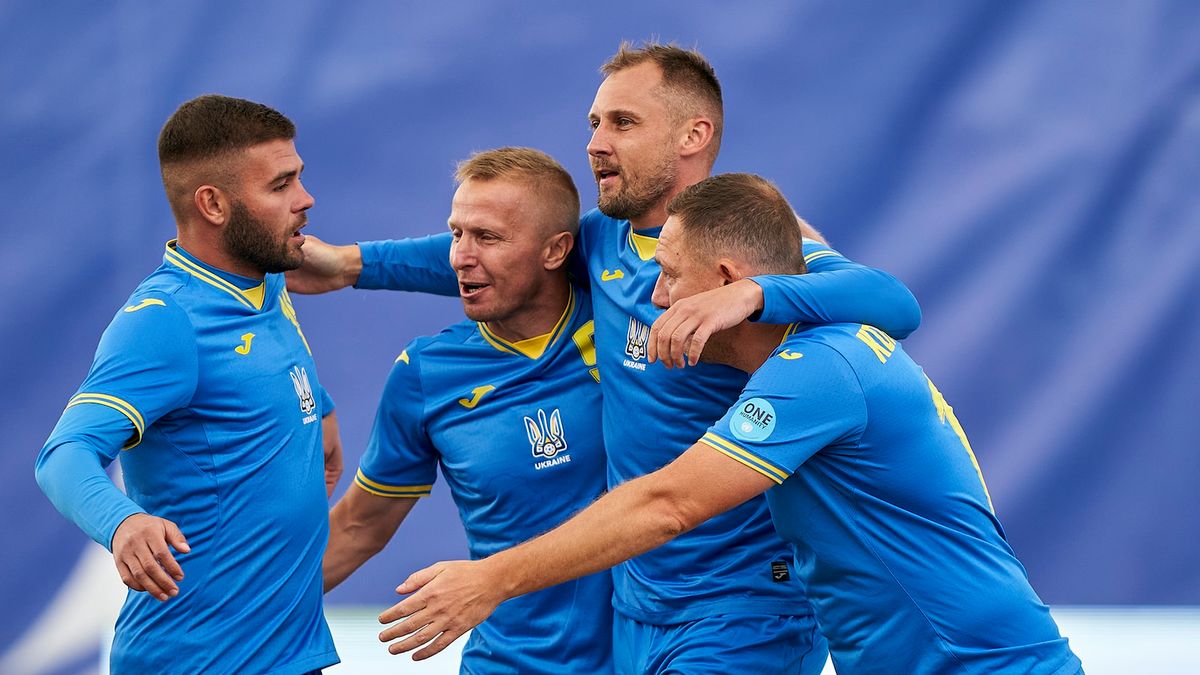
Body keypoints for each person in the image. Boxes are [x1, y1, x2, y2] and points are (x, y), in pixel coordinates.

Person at [289, 42, 920, 673]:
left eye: (622, 122)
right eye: (593, 123)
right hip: (636, 610)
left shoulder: (755, 242)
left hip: (741, 605)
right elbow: (496, 247)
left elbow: (893, 302)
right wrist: (350, 264)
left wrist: (753, 293)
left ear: (693, 135)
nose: (595, 142)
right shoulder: (601, 241)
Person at [378, 173, 1085, 674]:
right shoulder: (816, 345)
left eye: (669, 277)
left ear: (725, 280)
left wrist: (490, 579)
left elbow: (667, 502)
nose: (650, 298)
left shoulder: (814, 369)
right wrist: (352, 264)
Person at [34, 94, 342, 674]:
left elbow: (257, 372)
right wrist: (122, 523)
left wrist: (316, 409)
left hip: (290, 657)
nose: (306, 200)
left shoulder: (265, 282)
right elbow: (63, 454)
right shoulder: (164, 320)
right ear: (213, 204)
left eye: (299, 176)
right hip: (197, 662)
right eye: (281, 186)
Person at [322, 148, 613, 674]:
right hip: (510, 664)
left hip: (656, 655)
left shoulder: (627, 315)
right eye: (456, 233)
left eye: (488, 237)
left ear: (556, 251)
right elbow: (358, 527)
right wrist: (231, 611)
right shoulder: (424, 373)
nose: (459, 256)